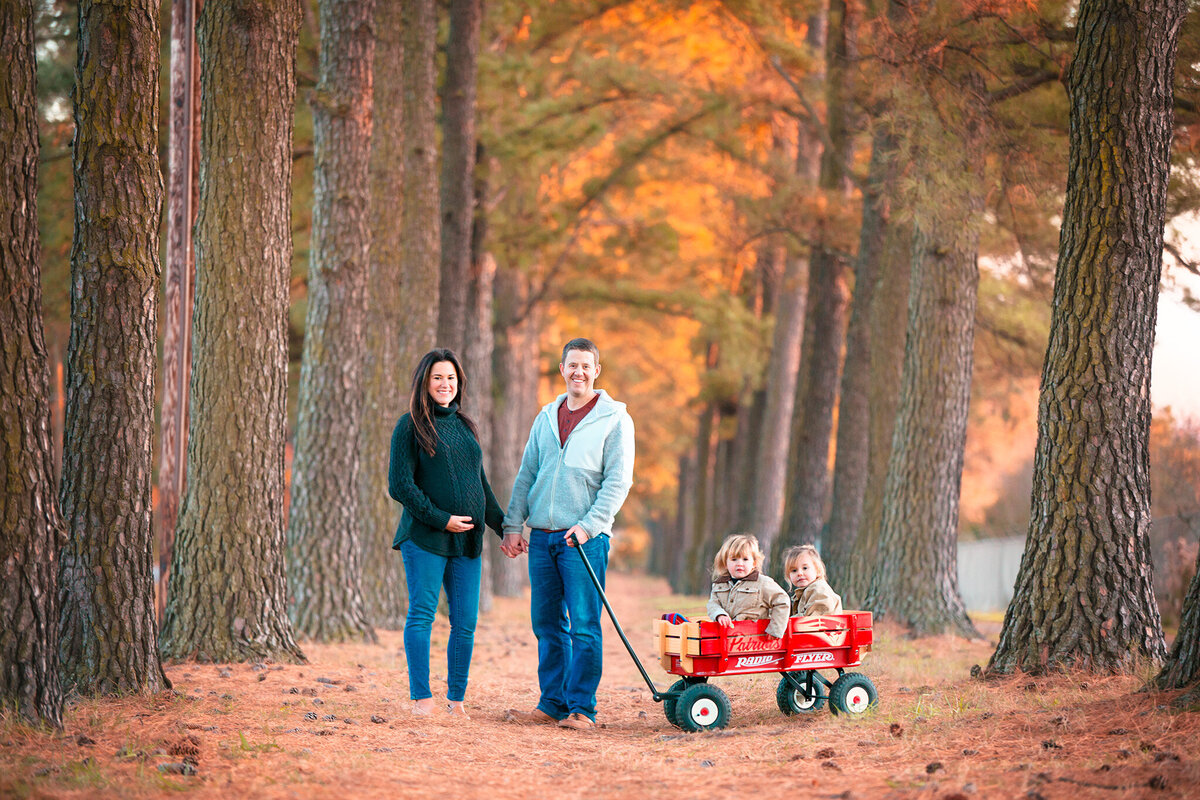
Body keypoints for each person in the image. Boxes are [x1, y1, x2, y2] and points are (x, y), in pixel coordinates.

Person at [500, 338, 635, 731]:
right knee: (546, 625)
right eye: (571, 365)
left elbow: (618, 482)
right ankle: (552, 703)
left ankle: (582, 709)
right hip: (542, 537)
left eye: (586, 366)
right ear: (562, 369)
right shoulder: (546, 416)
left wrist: (589, 526)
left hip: (584, 540)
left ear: (597, 371)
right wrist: (513, 525)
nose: (578, 372)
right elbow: (527, 474)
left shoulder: (614, 419)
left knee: (585, 626)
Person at [388, 348, 504, 718]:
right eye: (438, 377)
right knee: (422, 615)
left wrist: (507, 529)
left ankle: (456, 701)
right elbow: (400, 485)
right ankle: (422, 699)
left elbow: (479, 486)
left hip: (466, 540)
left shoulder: (465, 426)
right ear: (425, 382)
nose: (445, 384)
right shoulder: (409, 425)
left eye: (451, 378)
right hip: (425, 537)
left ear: (459, 383)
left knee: (465, 623)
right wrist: (441, 519)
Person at [705, 533, 789, 639]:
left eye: (745, 559)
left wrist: (775, 629)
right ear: (725, 563)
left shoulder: (762, 583)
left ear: (754, 563)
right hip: (726, 638)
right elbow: (713, 604)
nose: (739, 563)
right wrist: (720, 614)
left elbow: (782, 601)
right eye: (734, 559)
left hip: (754, 639)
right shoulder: (719, 584)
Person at [782, 544, 843, 617]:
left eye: (805, 568)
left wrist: (786, 621)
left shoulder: (819, 589)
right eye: (794, 570)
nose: (799, 573)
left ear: (817, 570)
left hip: (823, 627)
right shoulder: (805, 592)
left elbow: (812, 618)